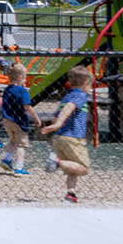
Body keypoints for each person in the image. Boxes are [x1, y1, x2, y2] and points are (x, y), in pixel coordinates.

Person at [39, 65, 94, 203]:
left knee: (73, 169)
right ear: (85, 83)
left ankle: (71, 194)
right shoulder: (79, 96)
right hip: (72, 137)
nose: (90, 89)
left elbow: (56, 115)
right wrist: (58, 124)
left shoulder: (67, 96)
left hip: (60, 137)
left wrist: (54, 128)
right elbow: (69, 109)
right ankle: (56, 162)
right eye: (90, 86)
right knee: (83, 168)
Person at [0, 63, 40, 176]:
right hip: (19, 121)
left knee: (13, 141)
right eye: (25, 77)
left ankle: (7, 159)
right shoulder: (22, 91)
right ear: (20, 78)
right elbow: (27, 107)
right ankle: (19, 168)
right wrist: (36, 117)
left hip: (7, 120)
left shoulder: (7, 90)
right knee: (21, 145)